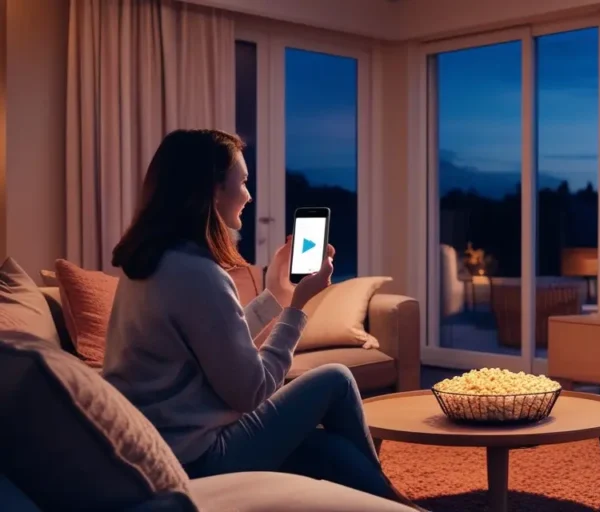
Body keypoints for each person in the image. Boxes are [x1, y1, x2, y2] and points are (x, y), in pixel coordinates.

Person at [101, 129, 424, 511]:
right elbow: (251, 390)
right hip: (198, 459)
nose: (249, 195)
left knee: (329, 450)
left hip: (160, 451)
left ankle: (391, 504)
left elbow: (219, 343)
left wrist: (276, 295)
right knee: (335, 379)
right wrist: (297, 309)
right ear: (213, 191)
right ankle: (395, 504)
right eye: (243, 182)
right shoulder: (197, 274)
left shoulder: (151, 264)